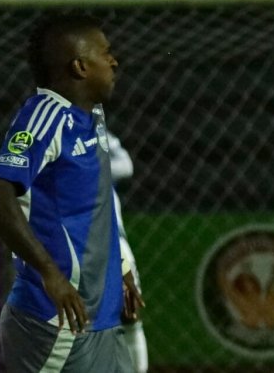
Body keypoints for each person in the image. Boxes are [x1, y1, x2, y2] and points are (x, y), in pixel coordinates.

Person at [0, 14, 143, 373]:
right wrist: (50, 274)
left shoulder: (92, 115)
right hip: (58, 321)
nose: (114, 61)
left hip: (100, 314)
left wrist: (122, 268)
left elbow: (94, 204)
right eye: (106, 53)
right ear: (81, 67)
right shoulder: (45, 116)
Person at [106, 130, 149, 373]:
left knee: (128, 312)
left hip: (112, 240)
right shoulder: (38, 128)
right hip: (65, 243)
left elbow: (125, 165)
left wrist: (87, 171)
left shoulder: (93, 125)